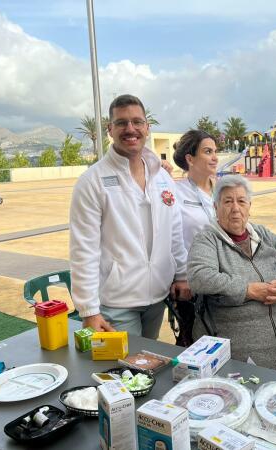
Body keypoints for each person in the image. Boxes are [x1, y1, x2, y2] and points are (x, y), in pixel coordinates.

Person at [69, 94, 190, 337]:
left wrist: (182, 275)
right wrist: (89, 310)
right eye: (121, 123)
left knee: (147, 365)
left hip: (158, 296)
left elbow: (174, 232)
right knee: (125, 371)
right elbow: (84, 249)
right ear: (110, 130)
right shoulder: (92, 181)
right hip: (117, 303)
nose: (130, 129)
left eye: (137, 122)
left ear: (147, 127)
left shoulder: (162, 178)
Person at [187, 175, 276, 375]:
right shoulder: (207, 239)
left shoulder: (261, 233)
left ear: (249, 206)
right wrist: (248, 290)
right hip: (238, 360)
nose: (235, 208)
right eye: (227, 201)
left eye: (241, 201)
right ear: (215, 207)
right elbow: (200, 277)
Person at [170, 130, 218, 346]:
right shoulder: (175, 192)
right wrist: (181, 276)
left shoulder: (222, 190)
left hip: (225, 277)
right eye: (208, 152)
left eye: (215, 151)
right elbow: (172, 238)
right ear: (190, 159)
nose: (215, 157)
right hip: (193, 284)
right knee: (194, 340)